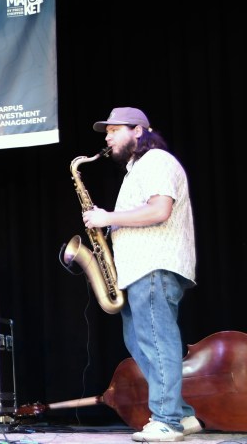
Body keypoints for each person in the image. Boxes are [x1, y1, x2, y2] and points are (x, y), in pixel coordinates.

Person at [83, 107, 199, 442]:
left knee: (156, 340)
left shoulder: (156, 161)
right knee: (140, 341)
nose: (107, 138)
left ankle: (167, 420)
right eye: (107, 132)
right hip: (139, 270)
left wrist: (108, 218)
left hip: (154, 265)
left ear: (138, 130)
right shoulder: (136, 170)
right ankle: (182, 415)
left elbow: (160, 210)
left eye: (114, 130)